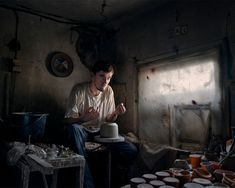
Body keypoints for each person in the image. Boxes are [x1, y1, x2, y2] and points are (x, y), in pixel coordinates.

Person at [64, 60, 138, 188]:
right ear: (92, 75)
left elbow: (109, 119)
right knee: (73, 129)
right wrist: (83, 118)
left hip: (100, 132)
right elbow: (67, 120)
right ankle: (88, 184)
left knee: (131, 150)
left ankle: (117, 182)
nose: (105, 81)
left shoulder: (108, 91)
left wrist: (116, 112)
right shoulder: (79, 90)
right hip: (82, 131)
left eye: (109, 78)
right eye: (102, 76)